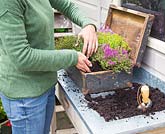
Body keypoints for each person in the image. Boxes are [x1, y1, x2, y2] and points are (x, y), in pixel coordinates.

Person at [0, 0, 98, 133]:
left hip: (46, 84)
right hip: (25, 96)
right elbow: (22, 57)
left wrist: (88, 24)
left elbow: (66, 5)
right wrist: (72, 57)